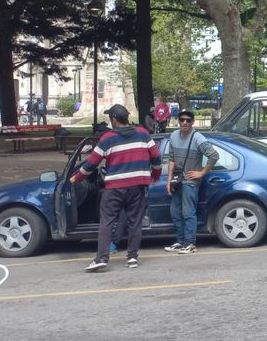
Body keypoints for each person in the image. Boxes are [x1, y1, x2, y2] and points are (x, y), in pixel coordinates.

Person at [71, 104, 161, 273]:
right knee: (135, 222)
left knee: (107, 221)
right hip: (138, 186)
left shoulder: (107, 138)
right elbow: (156, 157)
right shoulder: (143, 134)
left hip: (115, 187)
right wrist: (155, 177)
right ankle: (132, 257)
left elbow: (91, 164)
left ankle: (102, 258)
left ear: (113, 119)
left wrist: (77, 178)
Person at [161, 110, 219, 254]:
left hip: (191, 181)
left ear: (193, 122)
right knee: (175, 211)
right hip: (177, 180)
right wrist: (169, 180)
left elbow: (214, 156)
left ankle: (190, 243)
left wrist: (202, 172)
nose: (184, 122)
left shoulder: (197, 138)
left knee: (188, 212)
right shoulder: (174, 136)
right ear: (178, 121)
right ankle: (181, 242)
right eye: (182, 120)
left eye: (188, 120)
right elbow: (172, 159)